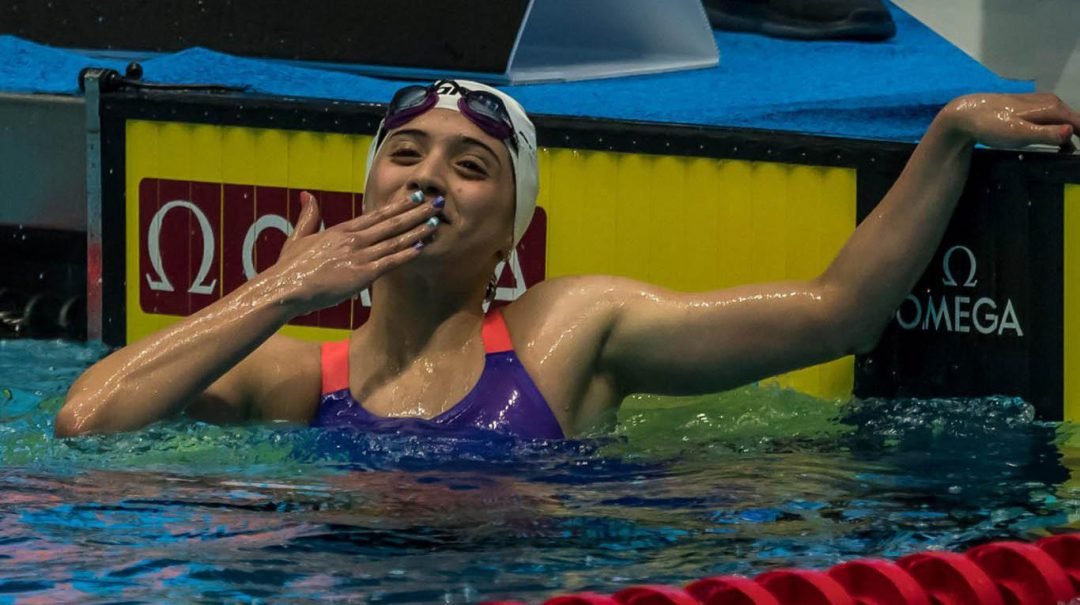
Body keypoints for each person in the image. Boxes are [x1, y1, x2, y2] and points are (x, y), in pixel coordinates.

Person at [55, 80, 1079, 440]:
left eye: (471, 166)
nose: (429, 179)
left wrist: (947, 136)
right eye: (404, 155)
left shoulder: (568, 332)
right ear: (364, 191)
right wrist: (287, 285)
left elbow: (834, 314)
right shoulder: (295, 377)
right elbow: (85, 423)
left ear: (509, 230)